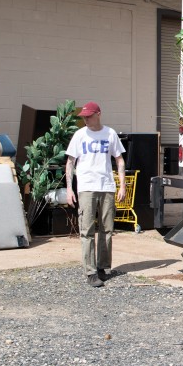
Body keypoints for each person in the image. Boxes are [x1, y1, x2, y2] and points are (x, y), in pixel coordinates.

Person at [65, 101, 126, 288]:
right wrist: (69, 189)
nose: (85, 119)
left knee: (107, 229)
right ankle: (90, 272)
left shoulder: (110, 133)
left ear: (99, 114)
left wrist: (122, 185)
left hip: (107, 186)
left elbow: (119, 160)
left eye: (89, 116)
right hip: (86, 187)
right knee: (87, 231)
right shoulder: (79, 135)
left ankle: (103, 267)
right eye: (83, 116)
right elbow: (70, 162)